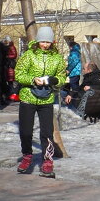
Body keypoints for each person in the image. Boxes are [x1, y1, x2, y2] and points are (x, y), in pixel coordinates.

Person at [13, 25, 67, 177]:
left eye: (48, 42)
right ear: (37, 41)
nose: (45, 45)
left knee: (47, 132)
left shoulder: (57, 58)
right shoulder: (29, 55)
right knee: (25, 131)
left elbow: (62, 77)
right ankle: (27, 156)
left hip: (47, 98)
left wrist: (54, 80)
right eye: (42, 41)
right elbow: (19, 74)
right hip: (28, 97)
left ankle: (47, 161)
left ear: (52, 42)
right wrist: (32, 80)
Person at [0, 35, 18, 107]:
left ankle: (10, 96)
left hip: (8, 67)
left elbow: (14, 55)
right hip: (6, 68)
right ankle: (7, 96)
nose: (6, 43)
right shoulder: (4, 48)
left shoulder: (10, 47)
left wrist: (7, 57)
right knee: (7, 83)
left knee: (9, 83)